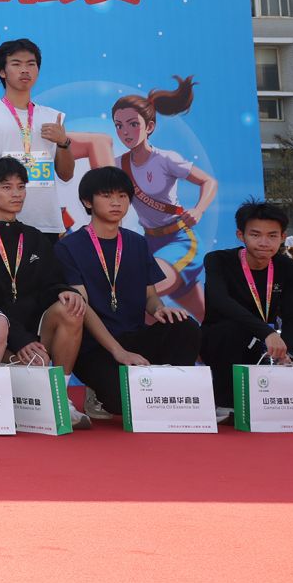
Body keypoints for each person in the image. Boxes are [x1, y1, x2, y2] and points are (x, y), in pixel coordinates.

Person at [55, 166, 201, 421]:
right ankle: (97, 391)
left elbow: (150, 296)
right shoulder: (68, 247)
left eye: (122, 196)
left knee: (184, 325)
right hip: (94, 347)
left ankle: (170, 389)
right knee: (123, 403)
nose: (116, 203)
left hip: (134, 337)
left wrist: (159, 309)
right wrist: (117, 351)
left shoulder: (137, 242)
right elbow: (81, 308)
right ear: (87, 201)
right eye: (107, 196)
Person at [0, 157, 91, 376]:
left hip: (33, 336)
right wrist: (19, 339)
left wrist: (65, 291)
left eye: (21, 187)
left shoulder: (35, 237)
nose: (16, 194)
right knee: (31, 359)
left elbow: (52, 282)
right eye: (7, 187)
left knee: (71, 308)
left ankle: (61, 388)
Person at [110, 78, 219, 316]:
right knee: (206, 319)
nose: (125, 132)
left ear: (149, 127)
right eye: (118, 125)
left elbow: (209, 181)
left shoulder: (166, 159)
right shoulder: (117, 165)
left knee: (142, 294)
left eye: (132, 124)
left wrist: (199, 209)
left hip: (179, 240)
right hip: (149, 243)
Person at [0, 39, 77, 235]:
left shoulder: (53, 117)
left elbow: (66, 175)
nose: (25, 70)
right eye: (16, 64)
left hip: (46, 222)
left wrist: (63, 143)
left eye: (31, 64)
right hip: (0, 221)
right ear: (2, 71)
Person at [200, 200, 293, 417]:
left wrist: (288, 351)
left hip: (265, 344)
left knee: (292, 365)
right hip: (222, 341)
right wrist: (267, 332)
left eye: (272, 236)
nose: (264, 242)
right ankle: (225, 403)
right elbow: (221, 301)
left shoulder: (287, 266)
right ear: (241, 235)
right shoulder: (218, 260)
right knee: (230, 330)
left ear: (282, 237)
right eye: (255, 235)